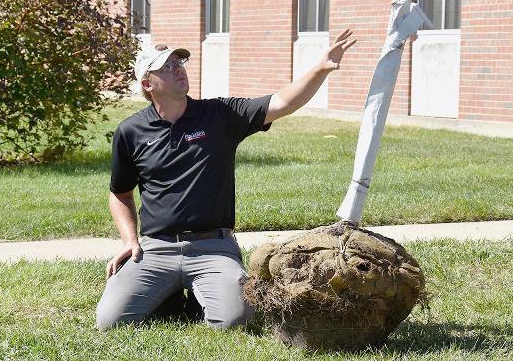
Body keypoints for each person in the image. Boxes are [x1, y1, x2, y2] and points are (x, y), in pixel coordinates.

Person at [96, 29, 356, 330]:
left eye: (179, 62)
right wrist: (130, 241)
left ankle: (197, 293)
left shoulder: (219, 115)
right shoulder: (131, 131)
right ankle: (170, 296)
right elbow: (120, 193)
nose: (178, 68)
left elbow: (282, 102)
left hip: (213, 248)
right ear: (147, 83)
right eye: (166, 66)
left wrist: (319, 69)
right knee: (110, 321)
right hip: (157, 249)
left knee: (234, 320)